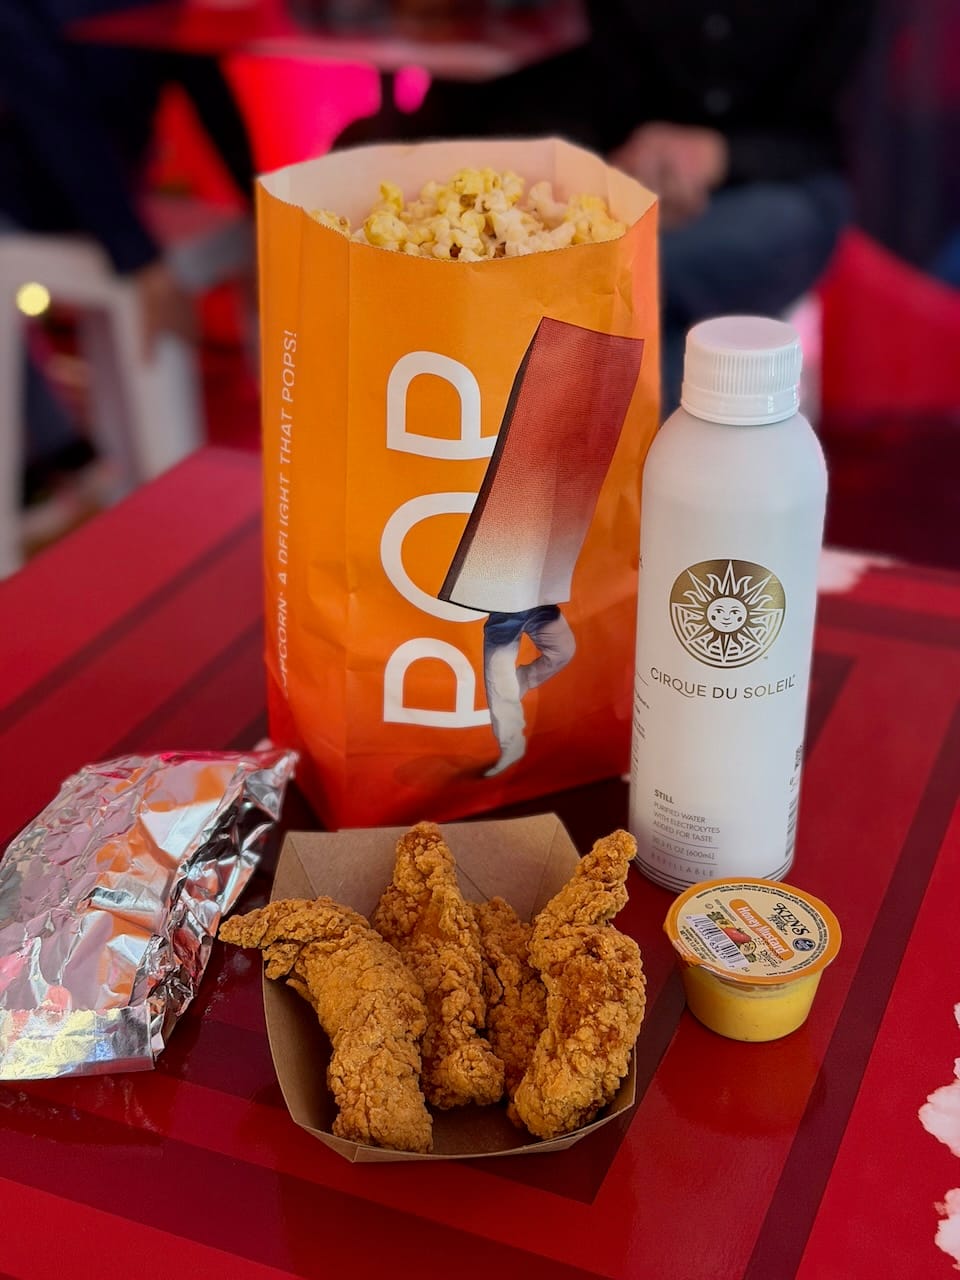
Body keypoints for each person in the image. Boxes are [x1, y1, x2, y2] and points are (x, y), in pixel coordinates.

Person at [335, 0, 876, 405]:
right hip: (610, 179)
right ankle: (600, 488)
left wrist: (717, 155)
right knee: (601, 282)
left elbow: (829, 137)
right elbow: (563, 84)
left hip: (768, 189)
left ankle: (572, 479)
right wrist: (610, 179)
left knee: (628, 275)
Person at [0, 0, 255, 497]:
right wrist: (140, 257)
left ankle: (64, 457)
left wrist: (260, 207)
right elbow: (58, 119)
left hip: (84, 189)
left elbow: (203, 80)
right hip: (58, 193)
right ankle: (62, 456)